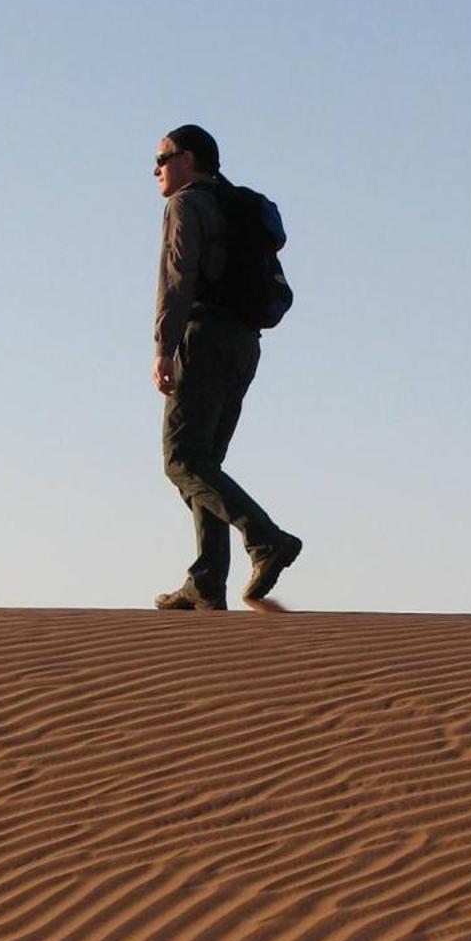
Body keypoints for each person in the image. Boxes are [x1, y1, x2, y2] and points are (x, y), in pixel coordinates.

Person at [151, 124, 302, 611]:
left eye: (162, 158)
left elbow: (177, 278)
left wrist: (164, 347)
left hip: (205, 337)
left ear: (189, 159)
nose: (155, 170)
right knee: (205, 464)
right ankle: (207, 580)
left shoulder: (187, 204)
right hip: (244, 343)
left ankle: (265, 540)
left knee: (182, 461)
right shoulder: (238, 206)